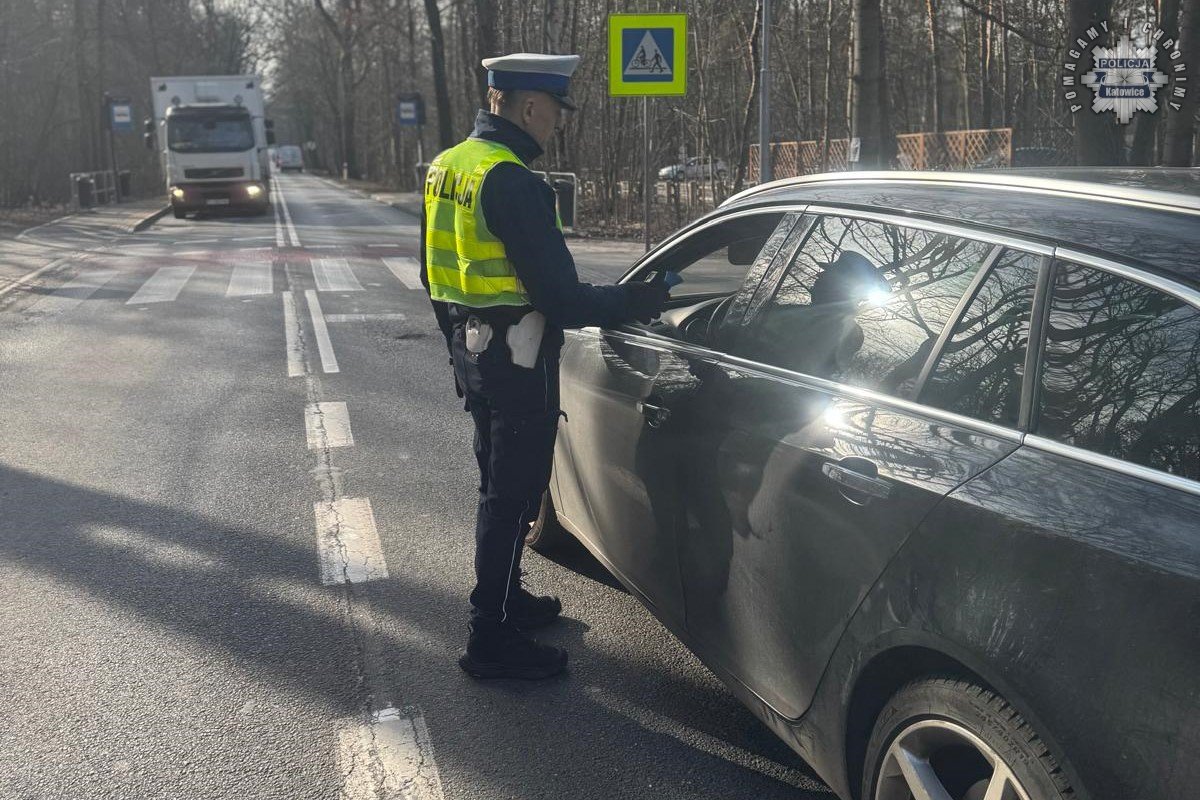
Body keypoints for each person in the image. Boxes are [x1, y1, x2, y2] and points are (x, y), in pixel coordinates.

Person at [419, 52, 670, 680]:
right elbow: (561, 298)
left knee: (498, 488)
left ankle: (507, 600)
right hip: (518, 362)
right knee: (514, 498)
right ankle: (490, 638)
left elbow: (431, 274)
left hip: (475, 356)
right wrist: (639, 299)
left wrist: (459, 348)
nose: (557, 122)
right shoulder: (514, 181)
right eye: (556, 110)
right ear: (530, 105)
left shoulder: (448, 167)